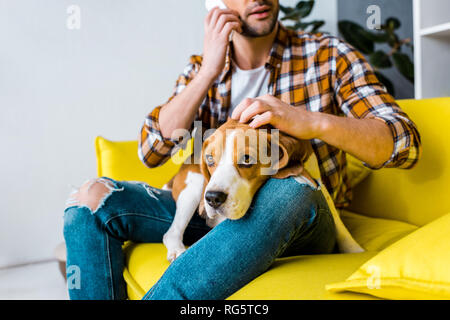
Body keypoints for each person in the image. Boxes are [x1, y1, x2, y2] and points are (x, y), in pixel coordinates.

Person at [63, 0, 421, 300]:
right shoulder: (204, 67)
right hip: (212, 210)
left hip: (294, 217)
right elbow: (151, 150)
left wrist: (311, 122)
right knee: (91, 199)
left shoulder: (328, 56)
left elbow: (404, 142)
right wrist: (207, 72)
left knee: (288, 190)